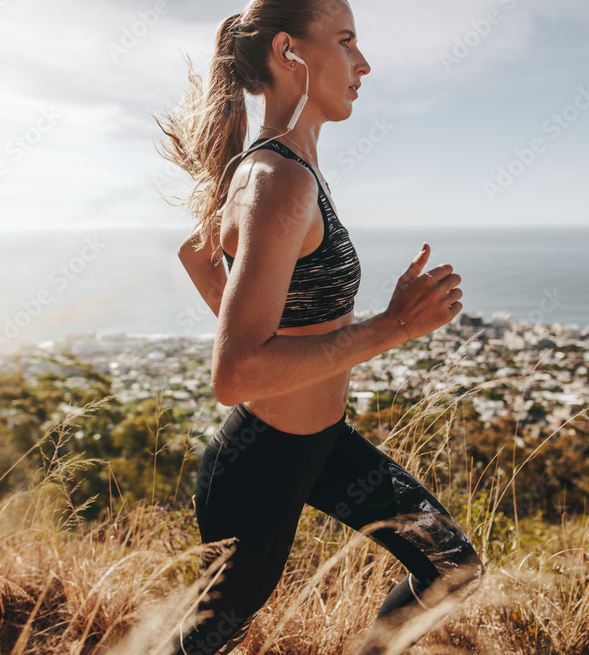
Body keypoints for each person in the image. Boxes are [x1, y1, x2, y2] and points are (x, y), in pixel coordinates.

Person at [153, 1, 483, 653]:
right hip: (260, 463)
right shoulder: (277, 180)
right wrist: (393, 325)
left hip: (319, 444)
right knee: (206, 639)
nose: (364, 62)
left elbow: (200, 253)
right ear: (290, 52)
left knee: (451, 565)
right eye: (346, 41)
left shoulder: (283, 169)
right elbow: (236, 373)